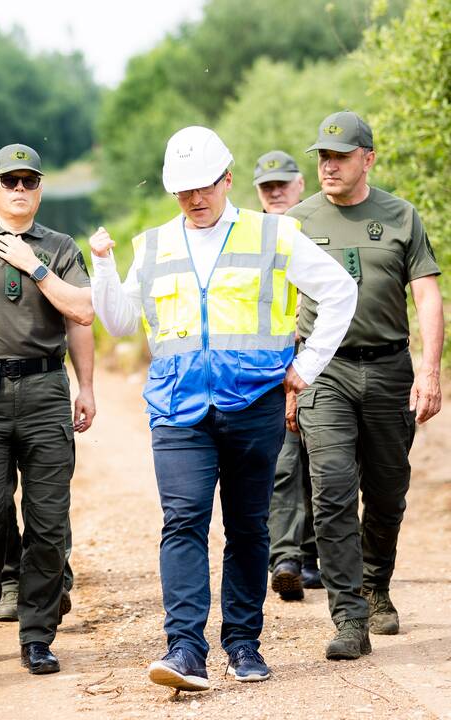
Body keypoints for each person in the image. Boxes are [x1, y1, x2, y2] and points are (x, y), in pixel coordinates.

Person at [90, 126, 356, 690]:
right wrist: (105, 266)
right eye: (182, 190)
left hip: (254, 407)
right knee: (183, 522)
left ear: (227, 180)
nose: (194, 198)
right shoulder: (155, 244)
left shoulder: (275, 235)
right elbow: (117, 321)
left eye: (204, 186)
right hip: (177, 409)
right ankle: (184, 648)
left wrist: (306, 368)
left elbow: (340, 292)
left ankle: (242, 643)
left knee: (248, 525)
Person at [290, 111, 444, 660]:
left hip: (389, 369)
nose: (328, 166)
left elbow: (426, 294)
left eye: (340, 156)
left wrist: (429, 371)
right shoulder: (297, 221)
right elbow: (278, 302)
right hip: (323, 370)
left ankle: (377, 585)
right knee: (331, 488)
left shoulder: (402, 217)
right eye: (322, 157)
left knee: (386, 493)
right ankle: (349, 613)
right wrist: (289, 375)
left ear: (368, 158)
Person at [0, 143, 95, 675]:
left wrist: (87, 387)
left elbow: (82, 312)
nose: (22, 190)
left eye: (30, 181)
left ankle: (37, 634)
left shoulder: (59, 247)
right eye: (10, 182)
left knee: (49, 522)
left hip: (46, 391)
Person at [252, 150, 322, 600]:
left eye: (283, 184)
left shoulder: (318, 228)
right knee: (284, 462)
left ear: (300, 185)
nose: (276, 192)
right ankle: (286, 557)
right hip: (273, 362)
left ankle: (313, 555)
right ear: (258, 192)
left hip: (322, 357)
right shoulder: (252, 237)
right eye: (267, 186)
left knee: (326, 463)